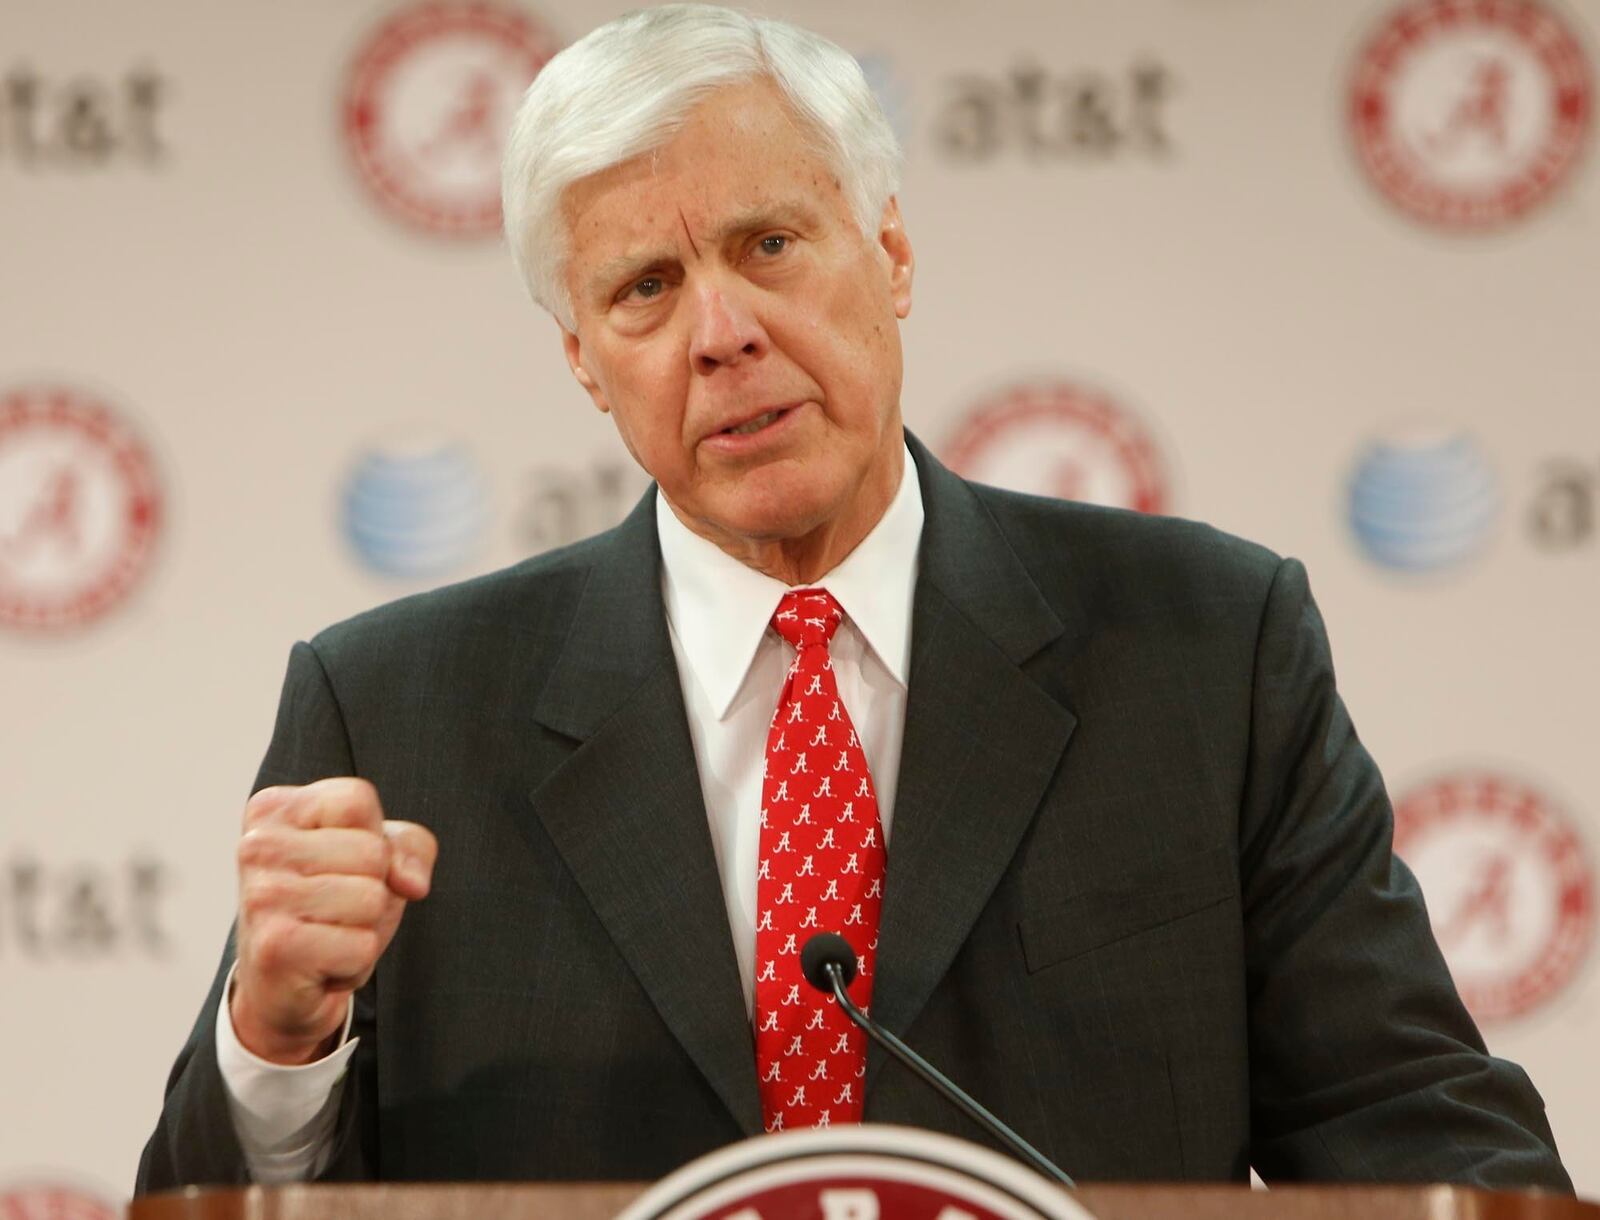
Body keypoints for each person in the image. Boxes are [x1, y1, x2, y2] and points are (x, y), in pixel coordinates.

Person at [136, 4, 1570, 1193]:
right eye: (643, 287)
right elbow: (205, 1205)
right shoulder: (396, 708)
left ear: (888, 253)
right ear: (583, 358)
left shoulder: (1204, 645)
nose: (722, 333)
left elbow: (1427, 1147)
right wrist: (273, 1041)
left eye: (768, 245)